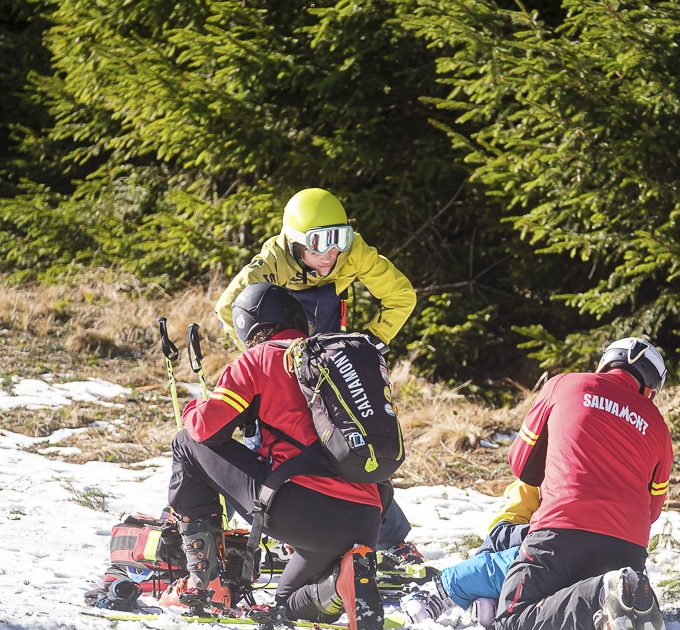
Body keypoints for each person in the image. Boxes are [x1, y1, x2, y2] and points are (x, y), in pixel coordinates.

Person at [213, 187, 420, 563]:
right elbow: (229, 307)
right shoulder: (273, 260)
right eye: (317, 244)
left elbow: (401, 296)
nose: (330, 254)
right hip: (281, 361)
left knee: (352, 442)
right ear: (293, 244)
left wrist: (370, 342)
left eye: (338, 240)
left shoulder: (353, 253)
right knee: (264, 440)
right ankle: (218, 526)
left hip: (328, 365)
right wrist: (264, 360)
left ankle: (394, 541)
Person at [167, 282, 383, 630]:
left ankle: (207, 585)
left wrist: (196, 405)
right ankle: (342, 582)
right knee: (285, 605)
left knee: (184, 442)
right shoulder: (339, 364)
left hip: (301, 511)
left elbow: (205, 429)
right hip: (366, 519)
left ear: (249, 329)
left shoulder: (261, 357)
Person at [495, 337, 673, 630]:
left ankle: (603, 593)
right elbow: (653, 510)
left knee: (512, 619)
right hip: (627, 550)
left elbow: (521, 464)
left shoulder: (564, 384)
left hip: (560, 532)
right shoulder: (658, 425)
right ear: (652, 389)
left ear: (604, 363)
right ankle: (618, 591)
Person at [401, 479, 540, 628]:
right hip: (523, 526)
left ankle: (492, 600)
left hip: (538, 529)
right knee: (523, 550)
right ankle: (446, 590)